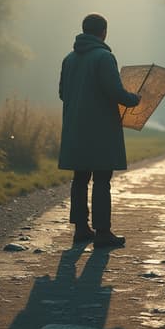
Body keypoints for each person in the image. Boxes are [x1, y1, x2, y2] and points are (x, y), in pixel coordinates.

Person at [58, 13, 140, 248]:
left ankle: (81, 230)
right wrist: (135, 98)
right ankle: (103, 232)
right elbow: (116, 93)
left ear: (84, 31)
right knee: (102, 179)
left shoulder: (68, 59)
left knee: (80, 178)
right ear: (103, 32)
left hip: (75, 129)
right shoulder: (104, 57)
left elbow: (63, 94)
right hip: (101, 129)